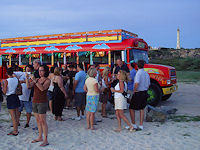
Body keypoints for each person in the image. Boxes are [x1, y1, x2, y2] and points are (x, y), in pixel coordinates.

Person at [26, 65, 50, 147]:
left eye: (41, 70)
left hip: (42, 102)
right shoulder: (37, 79)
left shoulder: (47, 80)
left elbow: (42, 88)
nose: (39, 72)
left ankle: (45, 139)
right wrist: (27, 78)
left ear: (45, 71)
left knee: (43, 121)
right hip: (35, 101)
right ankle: (40, 137)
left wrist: (34, 80)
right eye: (39, 70)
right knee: (38, 120)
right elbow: (28, 86)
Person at [129, 60, 150, 130]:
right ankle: (141, 124)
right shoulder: (146, 73)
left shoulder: (138, 73)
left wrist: (135, 90)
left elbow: (136, 83)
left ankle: (133, 123)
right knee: (142, 108)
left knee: (131, 108)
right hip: (145, 91)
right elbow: (148, 84)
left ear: (137, 66)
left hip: (138, 92)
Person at [2, 68, 20, 136]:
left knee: (13, 116)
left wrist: (3, 86)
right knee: (16, 114)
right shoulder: (16, 79)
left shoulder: (7, 81)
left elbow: (4, 91)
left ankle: (15, 130)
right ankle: (16, 129)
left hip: (10, 97)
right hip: (15, 96)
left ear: (7, 73)